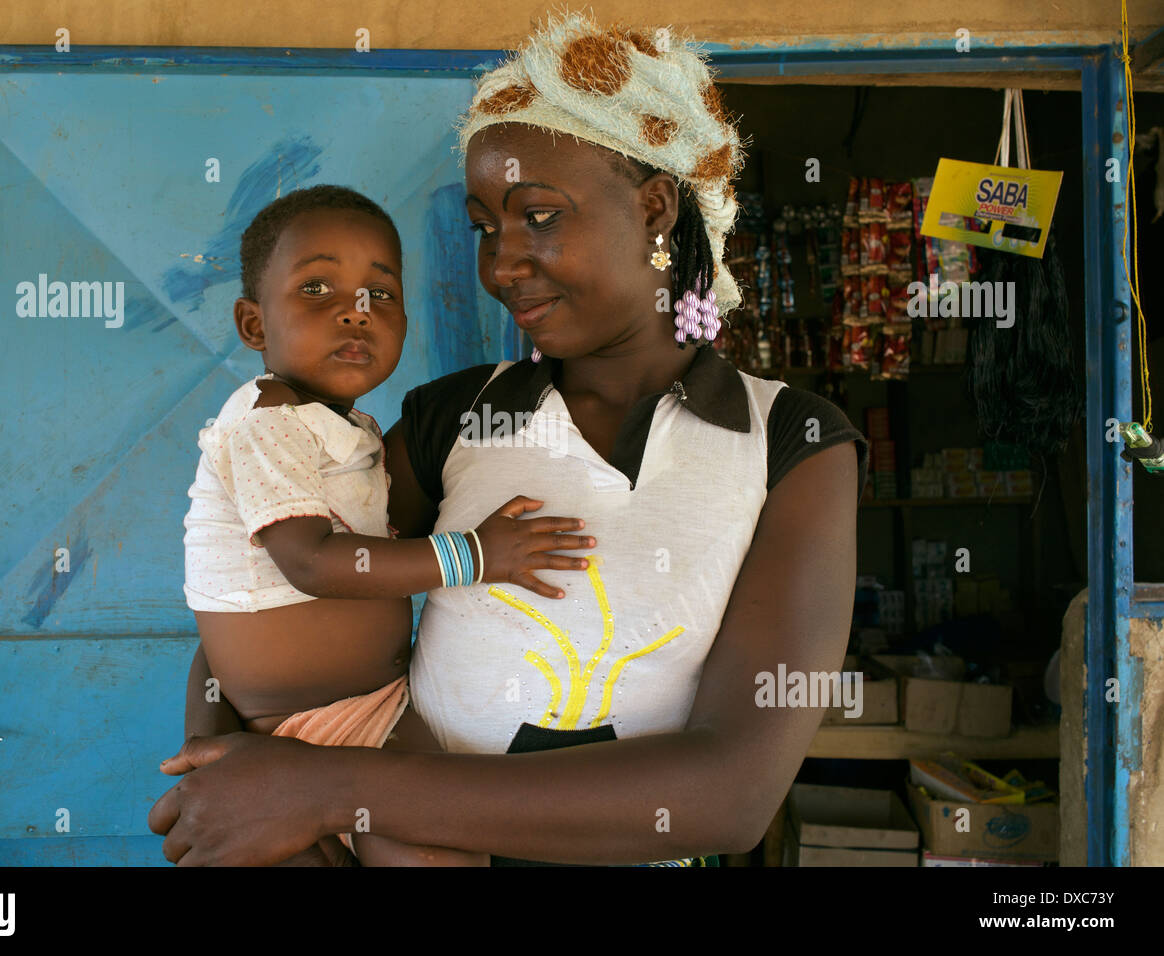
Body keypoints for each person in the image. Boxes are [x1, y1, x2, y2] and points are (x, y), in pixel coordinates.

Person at [151, 12, 869, 867]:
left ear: (652, 208)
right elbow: (267, 583)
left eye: (538, 216)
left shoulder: (791, 442)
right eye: (487, 227)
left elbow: (730, 792)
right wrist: (224, 766)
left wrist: (320, 790)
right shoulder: (452, 418)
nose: (500, 265)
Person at [181, 184, 594, 865]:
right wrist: (475, 557)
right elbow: (310, 563)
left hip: (378, 714)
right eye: (318, 289)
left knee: (447, 847)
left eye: (383, 294)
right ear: (254, 326)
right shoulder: (266, 420)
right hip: (287, 732)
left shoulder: (354, 432)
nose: (356, 313)